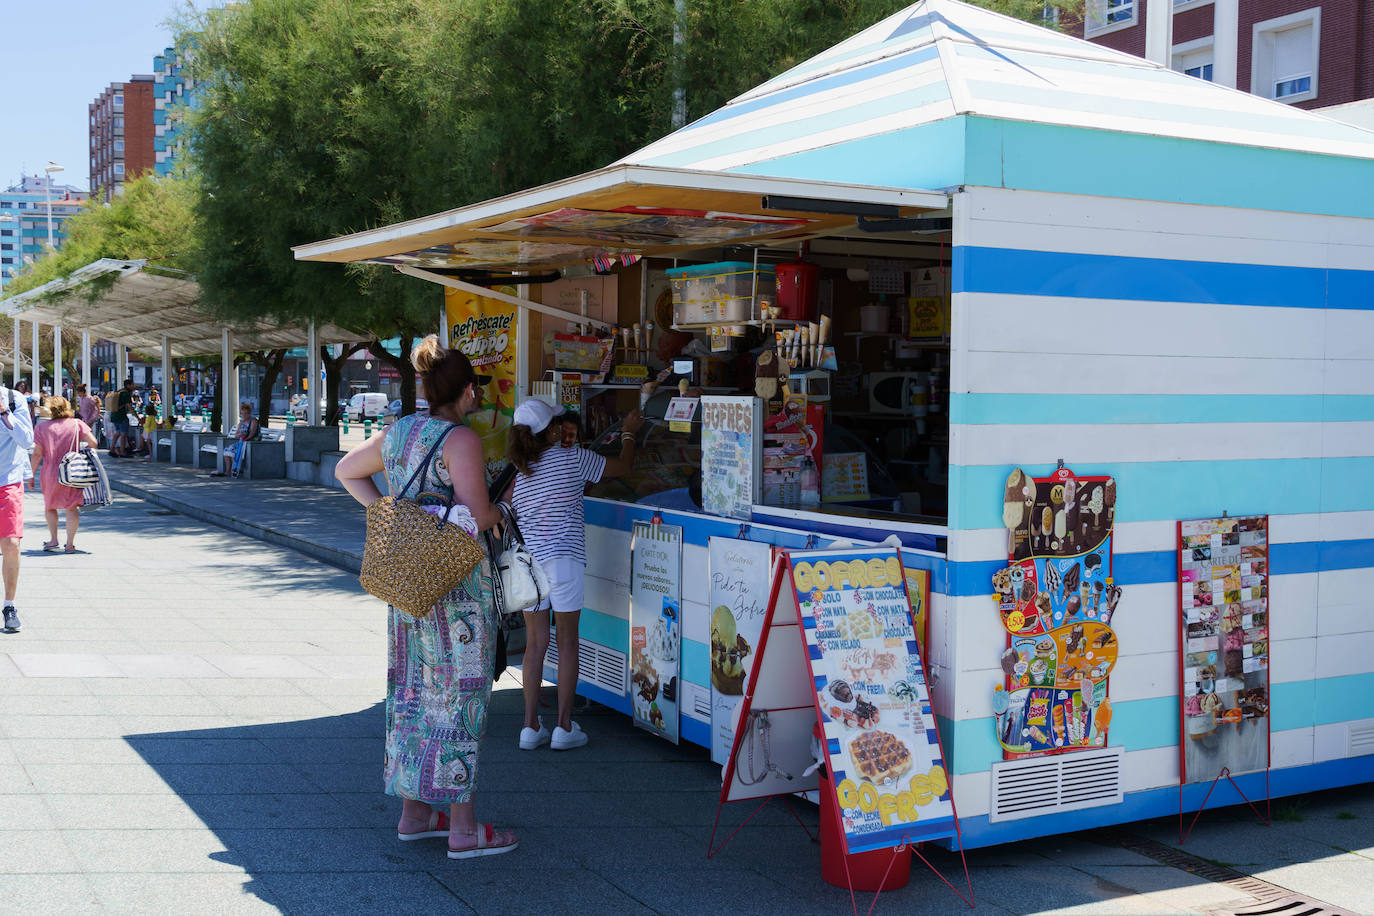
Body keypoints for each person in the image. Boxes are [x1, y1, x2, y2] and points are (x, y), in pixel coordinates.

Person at [335, 334, 515, 859]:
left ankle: (416, 814)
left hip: (410, 588)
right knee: (461, 695)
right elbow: (478, 515)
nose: (478, 398)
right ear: (465, 392)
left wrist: (387, 512)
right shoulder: (461, 439)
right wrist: (501, 509)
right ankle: (463, 828)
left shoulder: (398, 432)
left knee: (412, 692)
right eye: (475, 390)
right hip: (455, 589)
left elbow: (347, 471)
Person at [507, 399, 643, 751]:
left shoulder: (517, 469)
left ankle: (529, 727)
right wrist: (629, 432)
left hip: (531, 567)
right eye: (557, 423)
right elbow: (624, 467)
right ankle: (564, 728)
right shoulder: (572, 458)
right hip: (565, 561)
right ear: (550, 430)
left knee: (535, 644)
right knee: (567, 642)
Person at [30, 396, 97, 555]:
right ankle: (70, 544)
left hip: (51, 473)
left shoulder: (42, 427)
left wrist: (30, 475)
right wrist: (80, 452)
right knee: (71, 507)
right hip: (72, 471)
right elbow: (93, 443)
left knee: (50, 506)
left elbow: (37, 454)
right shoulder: (77, 424)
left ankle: (53, 540)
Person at [0, 381, 34, 633]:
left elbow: (26, 440)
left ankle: (9, 606)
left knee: (11, 544)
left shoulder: (13, 399)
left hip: (7, 480)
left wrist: (4, 412)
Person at [210, 403, 260, 477]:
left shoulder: (253, 421)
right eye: (242, 413)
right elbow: (236, 435)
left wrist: (245, 439)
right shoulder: (241, 422)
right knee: (226, 450)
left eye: (246, 413)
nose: (244, 415)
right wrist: (239, 435)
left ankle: (234, 470)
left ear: (249, 413)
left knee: (233, 451)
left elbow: (252, 433)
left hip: (251, 443)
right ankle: (228, 471)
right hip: (241, 442)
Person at [109, 380, 136, 457]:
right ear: (128, 385)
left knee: (117, 433)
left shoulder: (119, 391)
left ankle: (112, 450)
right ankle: (122, 451)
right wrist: (138, 418)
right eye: (132, 384)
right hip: (121, 416)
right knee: (123, 434)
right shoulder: (126, 394)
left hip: (114, 415)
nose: (133, 386)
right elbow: (130, 407)